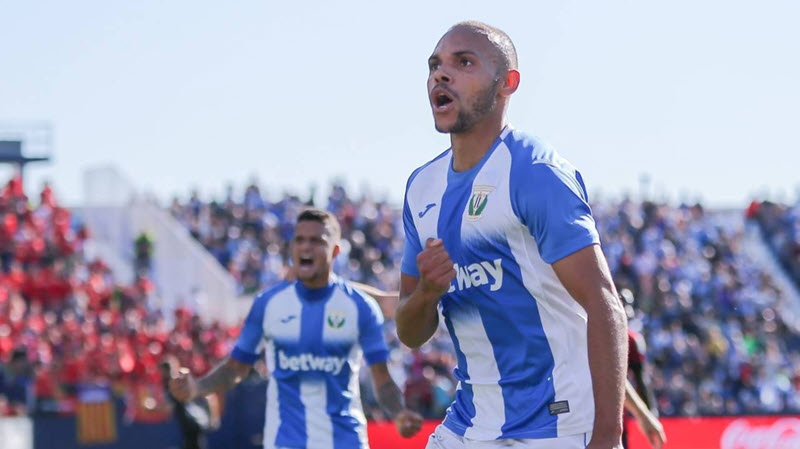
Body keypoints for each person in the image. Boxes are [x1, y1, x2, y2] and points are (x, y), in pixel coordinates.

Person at [395, 21, 629, 449]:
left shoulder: (534, 171)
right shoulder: (421, 188)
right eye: (434, 66)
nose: (440, 75)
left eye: (463, 62)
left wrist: (609, 438)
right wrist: (428, 292)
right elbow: (410, 332)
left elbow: (604, 301)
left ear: (508, 83)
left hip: (554, 425)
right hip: (468, 424)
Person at [170, 208, 422, 449]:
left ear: (334, 251)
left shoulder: (361, 307)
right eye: (299, 239)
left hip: (345, 442)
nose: (306, 246)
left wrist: (399, 412)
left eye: (316, 240)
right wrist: (197, 388)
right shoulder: (268, 305)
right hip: (286, 443)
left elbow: (383, 381)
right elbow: (235, 368)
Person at [161, 356, 220, 449]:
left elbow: (208, 396)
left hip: (194, 421)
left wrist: (213, 416)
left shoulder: (179, 381)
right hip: (190, 422)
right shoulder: (170, 382)